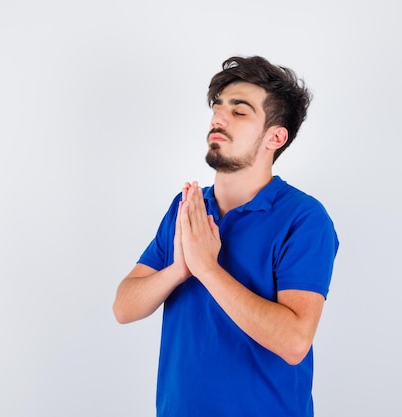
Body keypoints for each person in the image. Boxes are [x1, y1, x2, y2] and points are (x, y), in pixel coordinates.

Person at [113, 56, 339, 417]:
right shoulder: (187, 208)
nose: (218, 117)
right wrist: (179, 269)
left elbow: (295, 341)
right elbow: (123, 307)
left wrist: (208, 269)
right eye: (218, 107)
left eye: (240, 111)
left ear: (275, 137)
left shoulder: (304, 219)